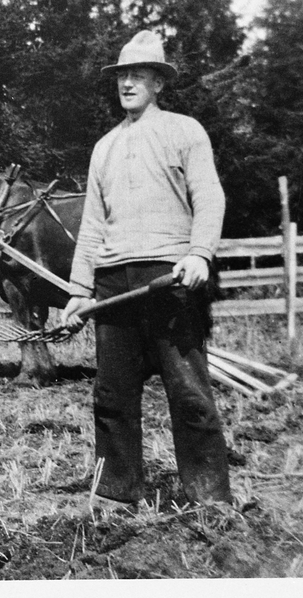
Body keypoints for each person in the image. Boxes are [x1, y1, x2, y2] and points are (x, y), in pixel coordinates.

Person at [60, 31, 233, 513]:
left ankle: (210, 499)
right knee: (112, 394)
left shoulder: (185, 131)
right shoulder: (104, 148)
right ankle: (117, 493)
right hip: (114, 280)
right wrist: (79, 290)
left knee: (190, 392)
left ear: (159, 82)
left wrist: (199, 253)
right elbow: (93, 224)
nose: (127, 83)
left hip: (170, 276)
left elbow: (209, 197)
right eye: (121, 75)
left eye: (138, 75)